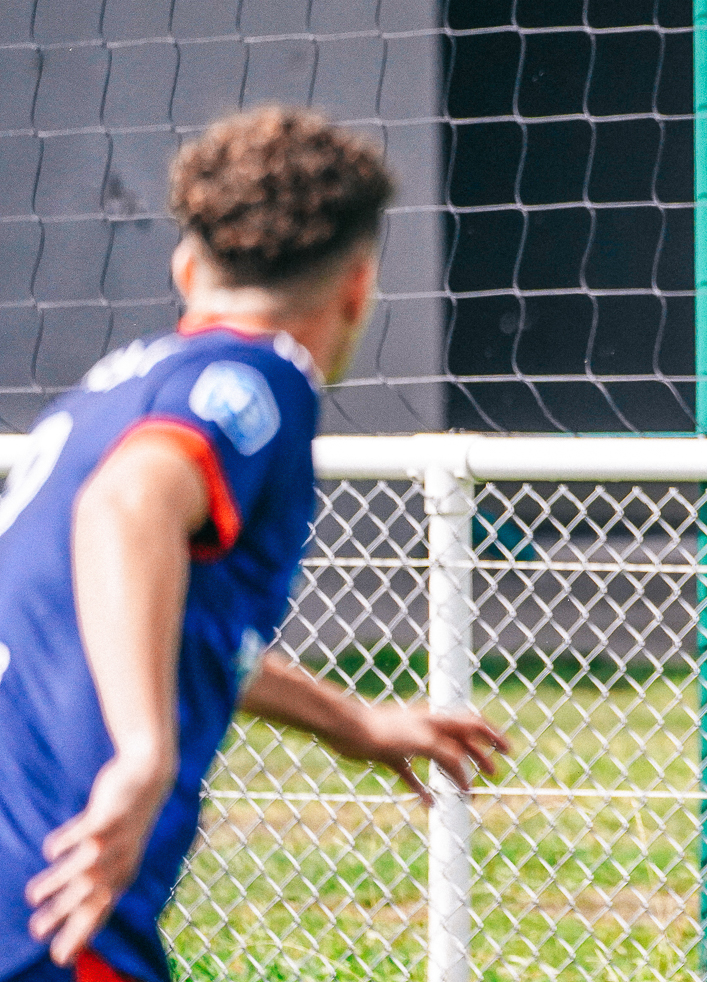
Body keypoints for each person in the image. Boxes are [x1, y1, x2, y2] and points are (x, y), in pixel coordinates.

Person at [0, 107, 510, 982]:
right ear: (358, 285)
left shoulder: (113, 392)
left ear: (187, 267)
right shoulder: (258, 378)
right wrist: (143, 754)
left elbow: (164, 624)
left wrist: (353, 723)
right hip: (51, 901)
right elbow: (127, 508)